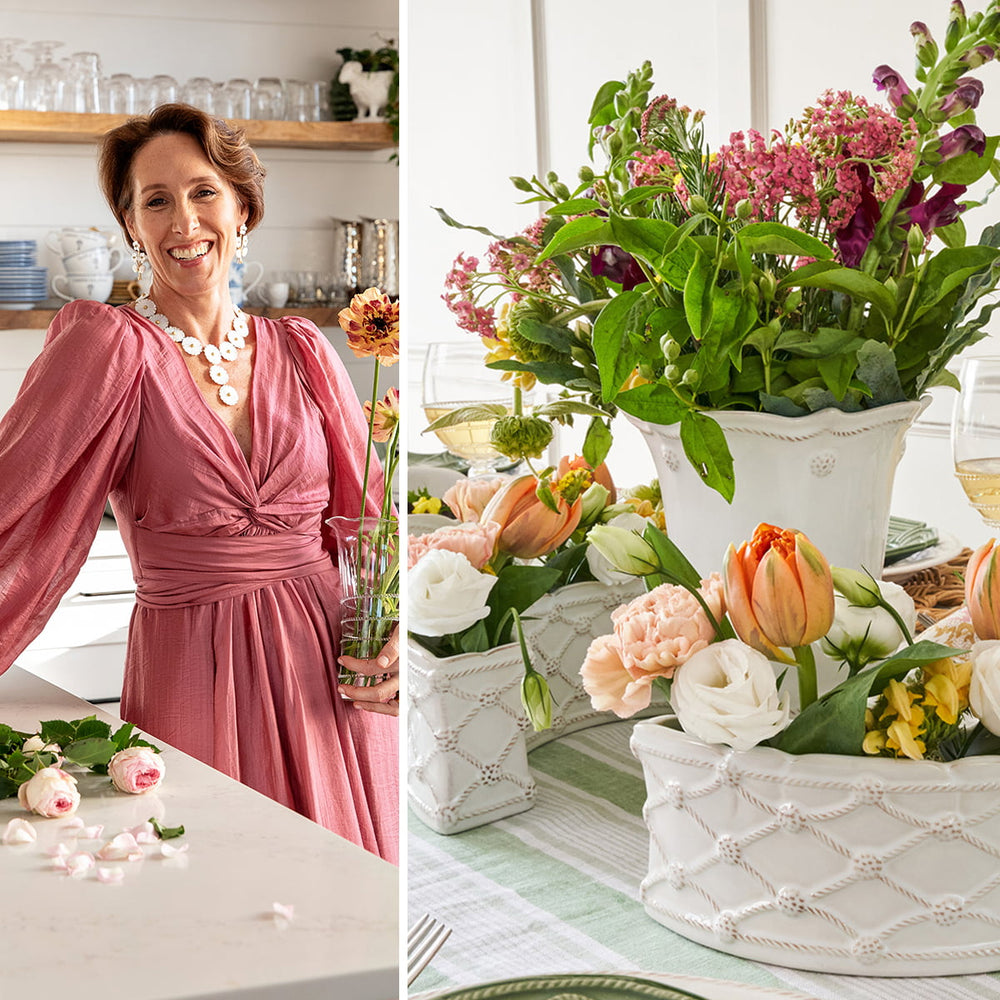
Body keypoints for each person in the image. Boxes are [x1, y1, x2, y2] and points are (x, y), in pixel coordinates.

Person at [0, 104, 398, 862]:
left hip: (332, 684)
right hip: (195, 666)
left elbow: (370, 523)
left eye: (203, 191)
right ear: (132, 228)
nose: (184, 219)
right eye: (155, 200)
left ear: (243, 206)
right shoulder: (109, 344)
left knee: (347, 903)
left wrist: (398, 636)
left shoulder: (305, 349)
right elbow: (12, 492)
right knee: (215, 885)